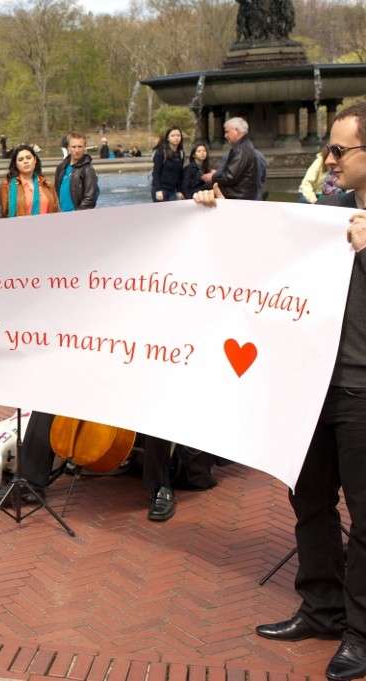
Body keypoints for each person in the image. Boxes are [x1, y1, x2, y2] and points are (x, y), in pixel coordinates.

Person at [195, 101, 366, 681]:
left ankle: (360, 634)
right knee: (309, 499)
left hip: (363, 393)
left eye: (340, 150)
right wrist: (217, 216)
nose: (329, 159)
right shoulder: (332, 209)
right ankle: (321, 605)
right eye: (328, 148)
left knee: (365, 518)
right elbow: (270, 247)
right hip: (311, 382)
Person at [201, 117, 258, 200]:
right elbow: (233, 173)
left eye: (227, 132)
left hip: (237, 199)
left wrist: (212, 176)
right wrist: (218, 173)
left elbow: (230, 177)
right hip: (241, 197)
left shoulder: (241, 149)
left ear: (236, 131)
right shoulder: (244, 146)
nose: (225, 135)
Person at [0, 144, 59, 217]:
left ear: (35, 160)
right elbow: (3, 213)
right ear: (15, 164)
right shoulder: (7, 186)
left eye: (28, 158)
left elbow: (56, 210)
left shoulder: (47, 184)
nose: (25, 161)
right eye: (20, 159)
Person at [54, 132, 99, 212]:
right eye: (73, 147)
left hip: (77, 216)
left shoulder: (88, 170)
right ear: (68, 148)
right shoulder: (61, 167)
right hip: (61, 215)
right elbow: (56, 191)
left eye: (80, 147)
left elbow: (90, 199)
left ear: (85, 148)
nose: (77, 150)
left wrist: (76, 215)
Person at [151, 127, 186, 202]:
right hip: (161, 190)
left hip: (173, 190)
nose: (176, 138)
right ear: (168, 138)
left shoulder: (181, 153)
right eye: (172, 136)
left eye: (178, 135)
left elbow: (180, 174)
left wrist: (179, 190)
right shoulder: (161, 152)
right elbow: (156, 172)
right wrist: (158, 190)